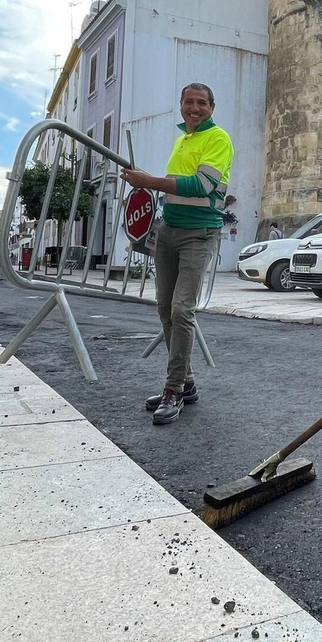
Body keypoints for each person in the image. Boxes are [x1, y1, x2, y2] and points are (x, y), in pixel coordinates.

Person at [119, 83, 232, 425]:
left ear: (212, 107)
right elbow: (178, 185)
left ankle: (174, 390)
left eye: (201, 103)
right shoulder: (183, 139)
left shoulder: (218, 139)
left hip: (199, 234)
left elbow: (202, 186)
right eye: (188, 102)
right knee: (165, 309)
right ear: (181, 105)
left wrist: (149, 181)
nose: (194, 108)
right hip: (168, 231)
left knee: (182, 310)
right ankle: (187, 382)